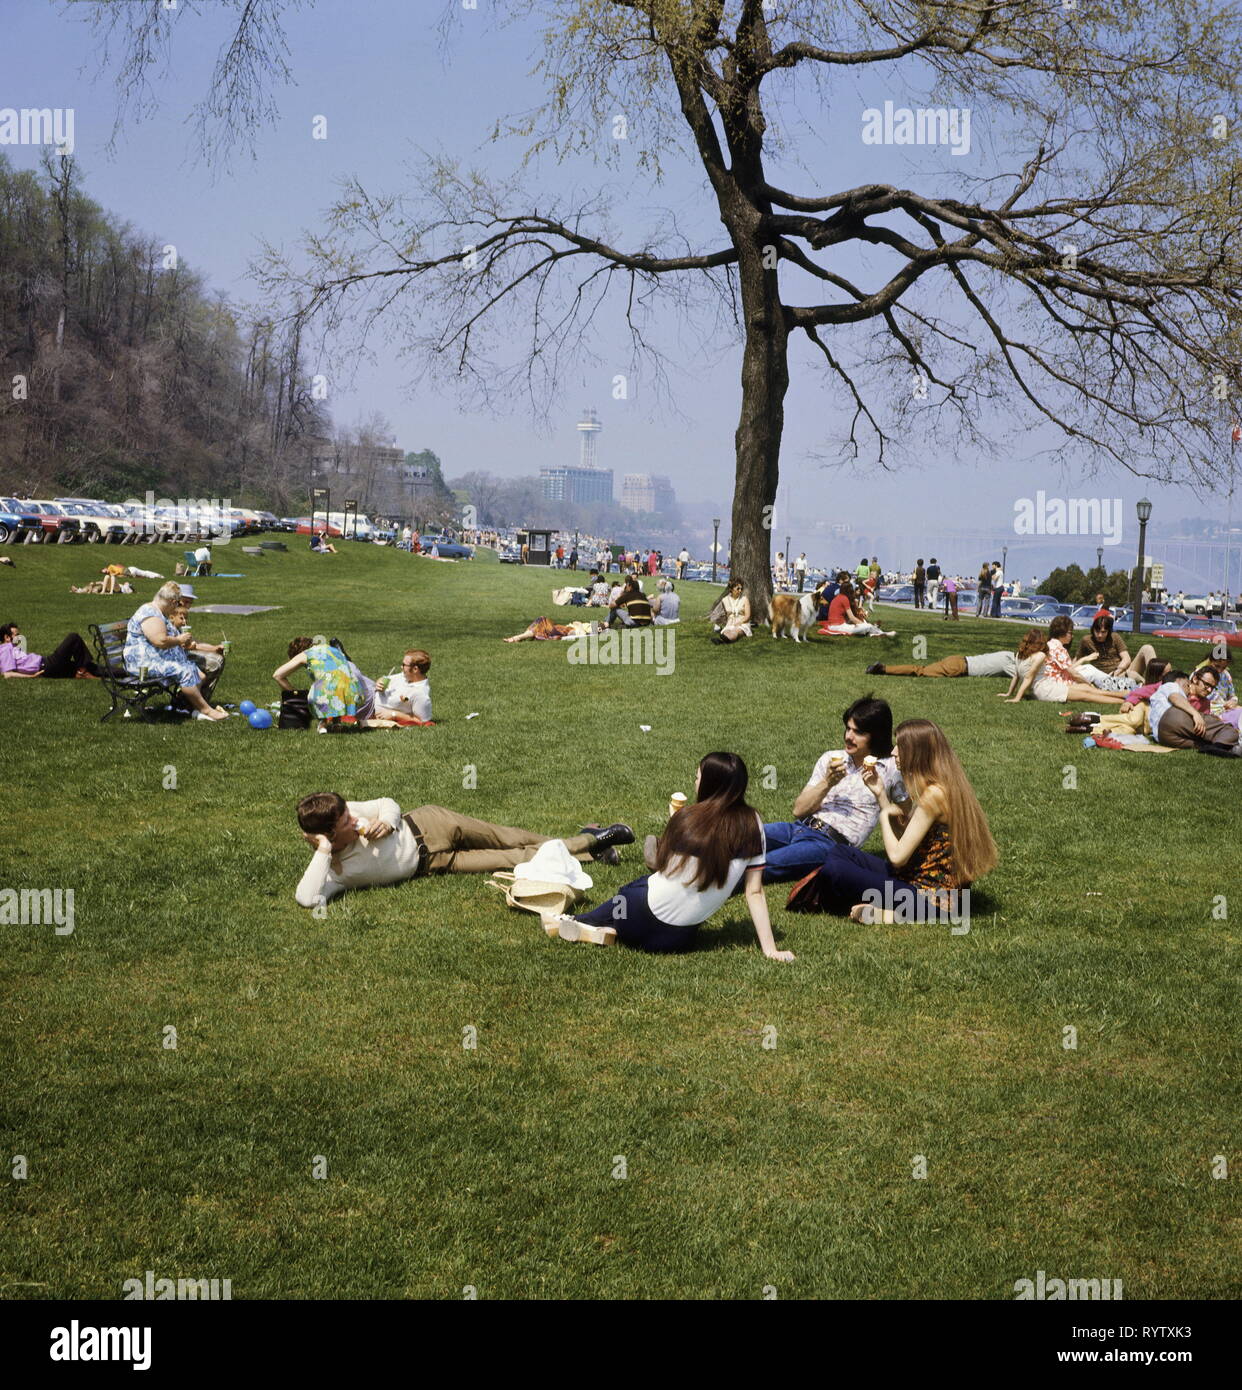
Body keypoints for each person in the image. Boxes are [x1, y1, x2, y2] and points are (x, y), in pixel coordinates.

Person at [548, 753, 793, 958]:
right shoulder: (754, 823)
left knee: (628, 892)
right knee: (646, 891)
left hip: (635, 919)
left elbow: (661, 867)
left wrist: (675, 822)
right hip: (677, 941)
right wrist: (771, 950)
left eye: (697, 777)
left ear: (708, 783)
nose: (695, 782)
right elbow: (754, 892)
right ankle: (605, 927)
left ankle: (578, 920)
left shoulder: (688, 818)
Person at [787, 719, 998, 924]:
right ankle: (877, 907)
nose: (894, 752)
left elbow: (897, 857)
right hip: (914, 879)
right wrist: (880, 793)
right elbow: (906, 842)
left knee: (836, 871)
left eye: (901, 747)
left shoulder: (934, 796)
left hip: (931, 898)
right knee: (840, 853)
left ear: (918, 753)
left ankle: (886, 912)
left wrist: (883, 815)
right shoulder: (938, 786)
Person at [295, 792, 634, 907]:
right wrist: (324, 852)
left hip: (431, 823)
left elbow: (386, 802)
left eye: (350, 814)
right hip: (439, 863)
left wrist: (389, 820)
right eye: (345, 823)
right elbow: (308, 899)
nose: (354, 819)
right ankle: (594, 844)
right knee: (516, 858)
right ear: (326, 835)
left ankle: (594, 840)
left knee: (510, 838)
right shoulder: (335, 869)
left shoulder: (348, 810)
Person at [760, 696, 908, 883]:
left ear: (876, 735)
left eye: (858, 732)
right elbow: (799, 810)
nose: (848, 737)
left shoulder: (891, 769)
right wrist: (827, 782)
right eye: (848, 728)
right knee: (736, 834)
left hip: (829, 844)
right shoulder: (831, 758)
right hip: (797, 828)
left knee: (763, 865)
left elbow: (905, 820)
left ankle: (716, 881)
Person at [123, 581, 228, 720]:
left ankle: (185, 705)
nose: (177, 607)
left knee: (199, 675)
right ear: (172, 601)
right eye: (177, 603)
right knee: (185, 671)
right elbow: (160, 641)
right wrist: (179, 640)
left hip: (156, 658)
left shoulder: (159, 612)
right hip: (143, 663)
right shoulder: (150, 613)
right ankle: (206, 710)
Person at [1001, 625, 1127, 705]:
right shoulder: (1040, 656)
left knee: (1087, 689)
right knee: (1086, 696)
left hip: (1050, 685)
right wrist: (1017, 697)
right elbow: (1027, 677)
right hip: (1045, 690)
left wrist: (1009, 693)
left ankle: (1126, 695)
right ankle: (1122, 702)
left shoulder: (1018, 655)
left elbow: (1016, 676)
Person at [273, 637, 372, 731]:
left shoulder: (305, 654)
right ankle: (336, 724)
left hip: (329, 689)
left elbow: (277, 675)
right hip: (354, 691)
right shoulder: (332, 649)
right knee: (335, 690)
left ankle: (322, 724)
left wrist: (293, 693)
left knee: (320, 690)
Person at [1149, 668, 1239, 750]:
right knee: (1230, 731)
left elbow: (1202, 725)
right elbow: (1175, 697)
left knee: (1201, 743)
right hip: (1172, 719)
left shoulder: (1204, 702)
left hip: (1162, 737)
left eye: (1213, 687)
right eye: (1207, 684)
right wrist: (1195, 714)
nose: (1209, 690)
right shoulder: (1172, 685)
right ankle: (1226, 743)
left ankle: (1215, 747)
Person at [168, 589, 225, 705]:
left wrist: (215, 648)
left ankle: (197, 701)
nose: (188, 605)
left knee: (219, 658)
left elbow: (194, 644)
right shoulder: (169, 618)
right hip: (173, 659)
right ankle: (193, 702)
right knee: (215, 663)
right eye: (186, 601)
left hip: (182, 655)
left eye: (190, 603)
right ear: (177, 600)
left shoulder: (179, 617)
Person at [1075, 614, 1156, 691]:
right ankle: (1152, 687)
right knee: (1132, 675)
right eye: (1097, 631)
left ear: (1108, 631)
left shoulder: (1115, 637)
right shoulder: (1086, 640)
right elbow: (1077, 659)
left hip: (1123, 670)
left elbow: (1126, 658)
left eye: (1103, 632)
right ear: (1093, 629)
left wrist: (1119, 669)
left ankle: (1156, 677)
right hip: (1107, 677)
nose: (1099, 635)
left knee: (1147, 648)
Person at [0, 622, 102, 679]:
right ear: (7, 637)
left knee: (93, 668)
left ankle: (115, 673)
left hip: (47, 664)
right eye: (17, 635)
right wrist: (31, 676)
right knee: (73, 637)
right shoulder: (6, 649)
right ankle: (82, 671)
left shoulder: (11, 648)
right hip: (47, 666)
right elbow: (7, 674)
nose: (20, 637)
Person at [865, 648, 1017, 679]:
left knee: (922, 669)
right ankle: (883, 669)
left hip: (958, 660)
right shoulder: (1008, 664)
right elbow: (1023, 677)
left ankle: (883, 668)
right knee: (920, 671)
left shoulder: (1007, 654)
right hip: (958, 668)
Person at [374, 649, 433, 723]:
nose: (401, 667)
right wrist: (379, 682)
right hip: (371, 692)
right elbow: (385, 678)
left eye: (404, 665)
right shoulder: (405, 676)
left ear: (415, 669)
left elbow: (421, 721)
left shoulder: (420, 694)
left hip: (370, 707)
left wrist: (394, 714)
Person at [819, 580, 895, 637]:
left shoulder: (837, 598)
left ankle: (873, 632)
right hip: (838, 626)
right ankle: (880, 633)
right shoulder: (844, 598)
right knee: (866, 626)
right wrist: (862, 624)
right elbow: (851, 618)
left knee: (863, 625)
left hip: (833, 625)